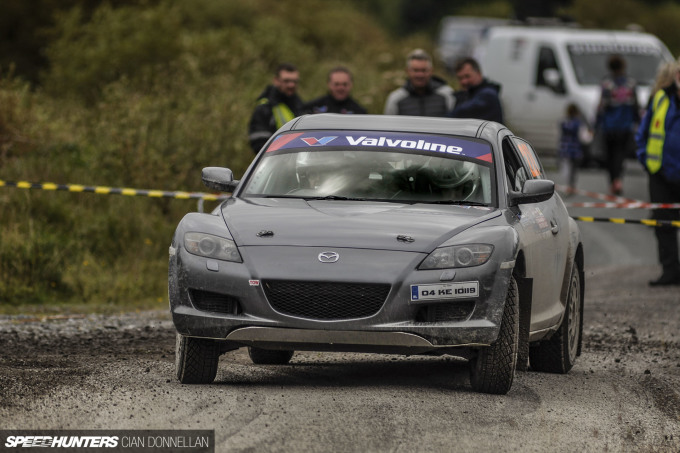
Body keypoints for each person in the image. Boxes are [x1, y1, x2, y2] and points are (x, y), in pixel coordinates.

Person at [635, 60, 680, 286]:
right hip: (660, 174)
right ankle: (670, 271)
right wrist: (646, 160)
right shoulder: (662, 97)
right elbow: (644, 132)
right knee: (663, 225)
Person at [595, 55, 640, 195]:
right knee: (621, 154)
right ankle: (618, 179)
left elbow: (601, 107)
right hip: (625, 126)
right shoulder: (631, 83)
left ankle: (613, 181)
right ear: (623, 66)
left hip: (609, 126)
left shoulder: (607, 83)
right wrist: (638, 121)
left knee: (609, 155)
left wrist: (596, 124)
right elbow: (636, 106)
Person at [248, 63, 305, 153]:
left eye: (295, 81)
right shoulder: (265, 107)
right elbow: (258, 143)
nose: (291, 85)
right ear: (276, 81)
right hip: (277, 161)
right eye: (286, 81)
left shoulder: (300, 104)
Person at [383, 49, 454, 117]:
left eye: (424, 70)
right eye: (416, 70)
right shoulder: (395, 98)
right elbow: (388, 126)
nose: (420, 75)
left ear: (431, 71)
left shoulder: (447, 94)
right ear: (407, 71)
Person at [448, 57, 503, 124]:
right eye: (460, 78)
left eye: (467, 76)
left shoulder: (488, 95)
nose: (464, 82)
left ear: (479, 74)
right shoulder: (468, 95)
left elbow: (460, 114)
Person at [558, 103, 585, 195]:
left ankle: (568, 185)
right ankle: (572, 185)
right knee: (574, 169)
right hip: (575, 148)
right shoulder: (578, 122)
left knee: (567, 167)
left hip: (565, 148)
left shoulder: (564, 122)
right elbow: (582, 136)